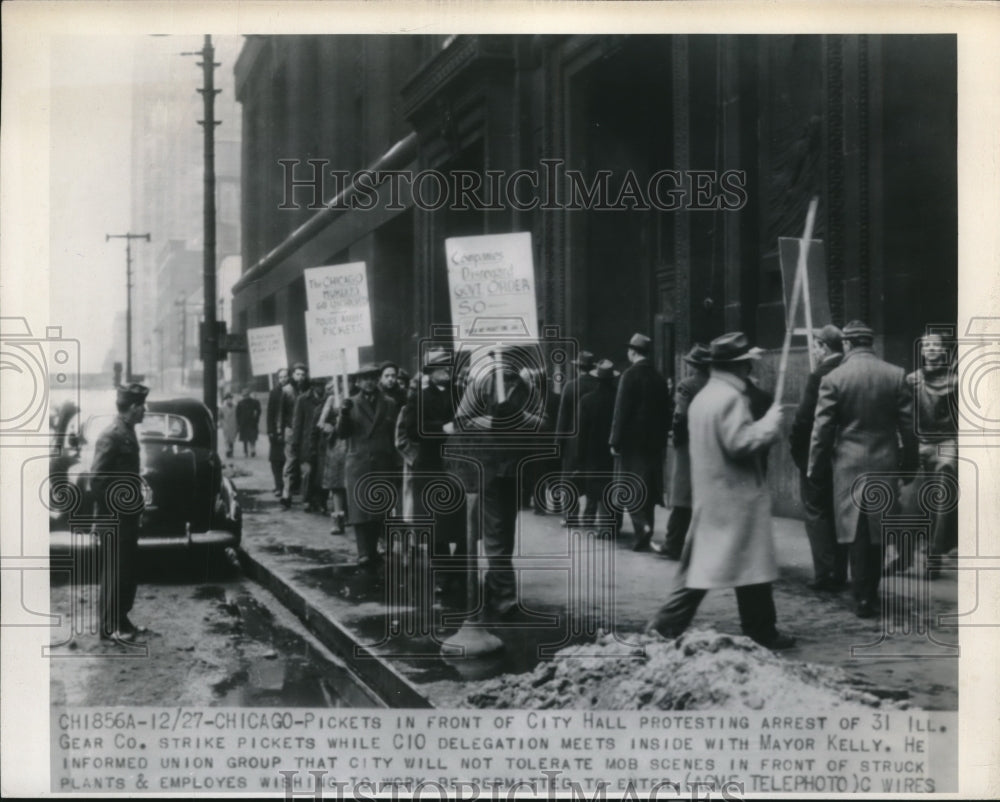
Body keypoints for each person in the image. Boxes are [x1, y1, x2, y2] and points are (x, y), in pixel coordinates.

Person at [646, 333, 794, 649]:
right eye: (747, 364)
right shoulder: (730, 398)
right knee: (744, 570)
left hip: (713, 499)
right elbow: (740, 443)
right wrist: (769, 425)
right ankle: (757, 630)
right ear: (740, 366)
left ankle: (669, 626)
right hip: (735, 501)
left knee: (710, 572)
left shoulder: (705, 397)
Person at [808, 321, 919, 618]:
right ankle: (871, 592)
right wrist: (909, 464)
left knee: (855, 529)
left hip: (848, 463)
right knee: (878, 529)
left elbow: (822, 431)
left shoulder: (834, 378)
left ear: (847, 344)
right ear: (870, 343)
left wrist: (815, 468)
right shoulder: (895, 375)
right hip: (883, 461)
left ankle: (862, 597)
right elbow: (909, 429)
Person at [454, 348, 545, 621]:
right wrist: (493, 421)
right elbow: (462, 420)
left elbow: (542, 421)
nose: (506, 364)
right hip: (489, 468)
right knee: (494, 532)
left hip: (515, 469)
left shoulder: (527, 388)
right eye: (501, 358)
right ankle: (505, 597)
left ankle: (494, 589)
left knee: (506, 532)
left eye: (510, 358)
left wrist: (516, 420)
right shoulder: (480, 384)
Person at [788, 325, 847, 590]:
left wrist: (797, 451)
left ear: (823, 347)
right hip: (845, 456)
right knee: (839, 514)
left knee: (816, 512)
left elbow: (804, 420)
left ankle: (825, 574)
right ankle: (841, 571)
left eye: (815, 345)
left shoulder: (819, 375)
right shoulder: (848, 371)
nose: (814, 350)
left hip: (818, 455)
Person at [405, 349, 467, 600]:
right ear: (430, 373)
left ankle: (460, 571)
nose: (447, 372)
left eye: (449, 368)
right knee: (435, 527)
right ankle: (442, 574)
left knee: (463, 524)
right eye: (442, 369)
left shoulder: (462, 395)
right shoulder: (417, 399)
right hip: (430, 467)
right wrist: (442, 428)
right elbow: (412, 431)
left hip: (459, 467)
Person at [91, 382, 150, 644]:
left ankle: (122, 618)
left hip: (126, 517)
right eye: (142, 407)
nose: (144, 411)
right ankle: (109, 627)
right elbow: (98, 479)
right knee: (115, 572)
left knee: (127, 570)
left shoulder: (127, 431)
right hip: (114, 517)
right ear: (133, 408)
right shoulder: (112, 435)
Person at [609, 332, 671, 551]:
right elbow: (666, 413)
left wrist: (614, 440)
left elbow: (621, 411)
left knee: (629, 487)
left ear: (633, 352)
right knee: (650, 487)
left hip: (631, 443)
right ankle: (647, 528)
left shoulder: (629, 376)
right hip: (654, 443)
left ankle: (642, 528)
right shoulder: (659, 378)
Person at [337, 363, 401, 568]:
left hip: (383, 462)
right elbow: (342, 433)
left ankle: (375, 549)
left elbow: (394, 436)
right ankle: (364, 552)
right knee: (360, 511)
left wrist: (396, 464)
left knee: (379, 509)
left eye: (373, 378)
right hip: (359, 463)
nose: (369, 382)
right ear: (357, 382)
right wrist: (344, 415)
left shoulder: (389, 403)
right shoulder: (350, 404)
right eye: (365, 378)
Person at [905, 332, 958, 575]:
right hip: (919, 444)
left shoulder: (956, 382)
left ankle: (934, 556)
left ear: (944, 350)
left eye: (936, 345)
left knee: (940, 504)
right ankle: (908, 554)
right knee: (912, 501)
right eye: (927, 345)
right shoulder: (912, 380)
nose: (931, 349)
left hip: (945, 444)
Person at [652, 343, 710, 560]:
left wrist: (677, 440)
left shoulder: (687, 385)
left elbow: (680, 417)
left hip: (688, 447)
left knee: (682, 498)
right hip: (710, 447)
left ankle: (673, 543)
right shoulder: (715, 384)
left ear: (693, 366)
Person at [554, 350, 598, 523]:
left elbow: (562, 417)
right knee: (593, 478)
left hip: (572, 442)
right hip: (593, 442)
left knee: (570, 480)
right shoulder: (598, 385)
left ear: (578, 368)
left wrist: (558, 442)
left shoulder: (570, 386)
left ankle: (571, 516)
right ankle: (589, 515)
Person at [574, 359, 619, 526]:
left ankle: (600, 523)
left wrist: (580, 456)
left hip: (593, 451)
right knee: (614, 484)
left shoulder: (587, 400)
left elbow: (582, 433)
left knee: (597, 487)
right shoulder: (618, 398)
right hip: (613, 448)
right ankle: (614, 523)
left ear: (597, 379)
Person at [291, 377, 327, 513]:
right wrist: (295, 442)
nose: (320, 388)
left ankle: (321, 501)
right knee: (307, 473)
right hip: (306, 443)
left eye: (322, 385)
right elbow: (297, 423)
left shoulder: (329, 399)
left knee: (321, 473)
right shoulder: (302, 399)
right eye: (317, 385)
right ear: (312, 386)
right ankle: (306, 499)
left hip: (322, 442)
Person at [319, 378, 349, 534]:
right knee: (337, 485)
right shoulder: (333, 399)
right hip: (337, 445)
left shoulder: (355, 398)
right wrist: (330, 426)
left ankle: (352, 516)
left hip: (353, 445)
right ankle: (338, 520)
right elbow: (321, 422)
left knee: (352, 483)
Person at [280, 363, 308, 509]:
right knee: (290, 462)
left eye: (303, 375)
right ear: (292, 375)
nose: (300, 377)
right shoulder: (287, 390)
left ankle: (306, 496)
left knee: (305, 462)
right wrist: (282, 430)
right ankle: (286, 494)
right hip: (291, 430)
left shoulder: (308, 390)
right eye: (297, 374)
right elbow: (282, 412)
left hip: (305, 431)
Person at [266, 368, 290, 497]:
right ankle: (278, 485)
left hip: (289, 430)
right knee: (275, 460)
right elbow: (270, 413)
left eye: (285, 376)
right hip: (276, 432)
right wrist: (270, 430)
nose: (283, 379)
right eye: (280, 377)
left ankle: (288, 488)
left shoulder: (293, 391)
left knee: (288, 460)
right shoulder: (274, 393)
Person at [235, 386, 262, 458]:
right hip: (243, 423)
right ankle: (245, 451)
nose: (245, 397)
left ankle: (252, 450)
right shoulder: (240, 403)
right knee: (244, 439)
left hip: (252, 422)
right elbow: (237, 414)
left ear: (249, 395)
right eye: (244, 395)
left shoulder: (255, 402)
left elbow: (259, 410)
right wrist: (239, 423)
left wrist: (256, 418)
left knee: (252, 437)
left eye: (247, 395)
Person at [218, 392, 238, 459]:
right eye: (228, 399)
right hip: (226, 424)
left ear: (232, 399)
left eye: (230, 399)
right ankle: (228, 450)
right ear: (226, 400)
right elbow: (220, 416)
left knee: (232, 439)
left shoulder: (235, 407)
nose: (229, 400)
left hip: (234, 424)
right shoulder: (222, 408)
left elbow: (238, 416)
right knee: (226, 439)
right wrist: (221, 423)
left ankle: (231, 452)